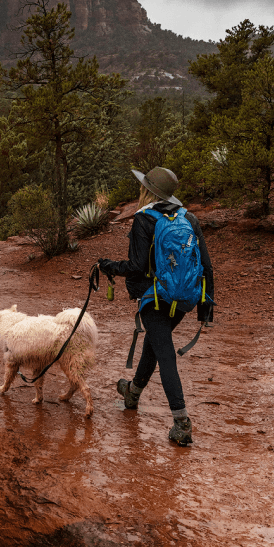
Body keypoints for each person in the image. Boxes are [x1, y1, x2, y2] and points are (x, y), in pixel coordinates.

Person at [98, 167, 214, 446]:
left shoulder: (144, 219)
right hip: (183, 298)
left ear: (147, 190)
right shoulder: (189, 218)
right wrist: (205, 306)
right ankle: (133, 392)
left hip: (154, 299)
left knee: (164, 354)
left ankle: (181, 422)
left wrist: (108, 266)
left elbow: (137, 267)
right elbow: (206, 264)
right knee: (155, 341)